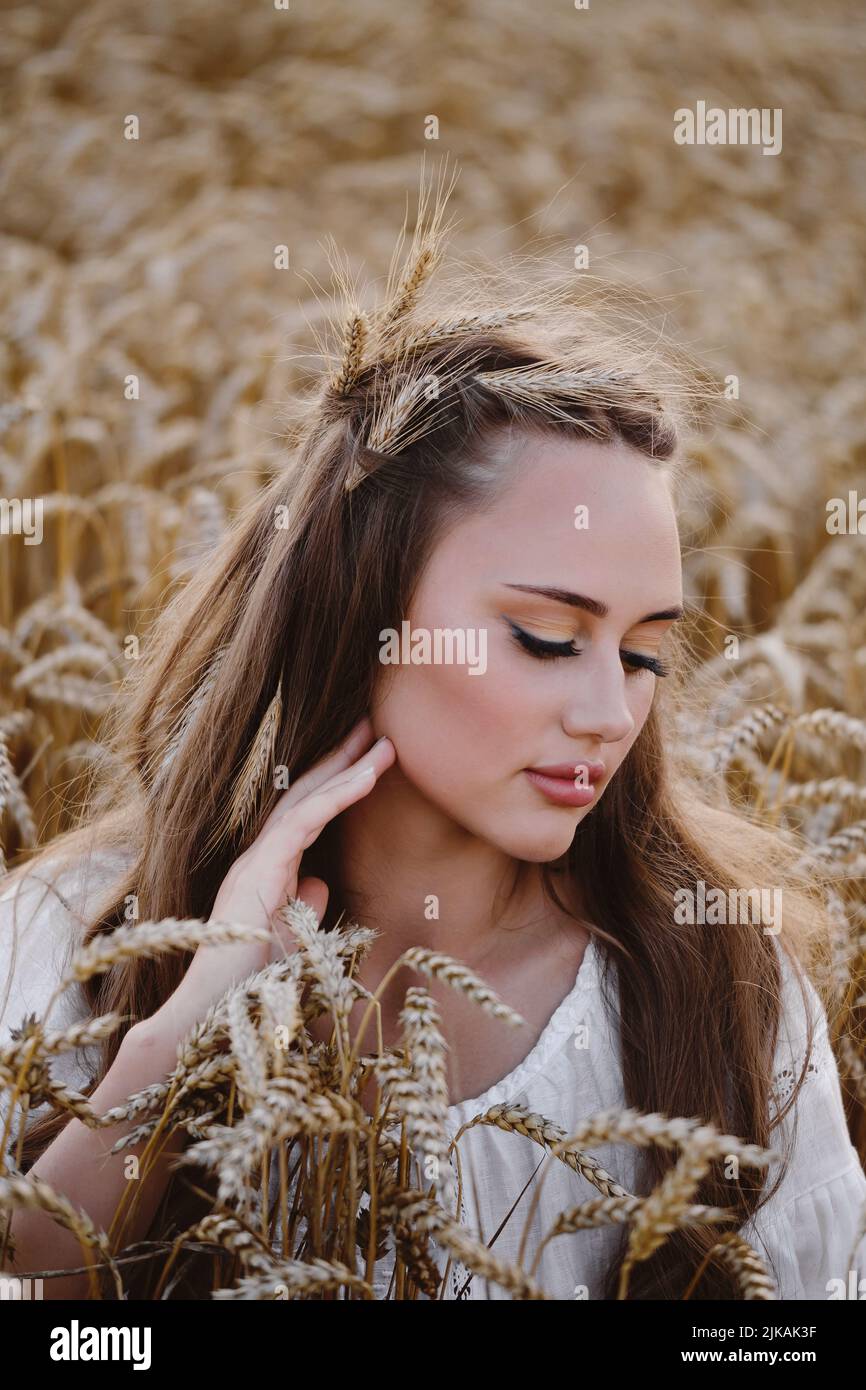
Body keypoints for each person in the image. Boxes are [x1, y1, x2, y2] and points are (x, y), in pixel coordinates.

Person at [1, 201, 865, 1300]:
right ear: (366, 609)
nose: (609, 711)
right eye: (546, 638)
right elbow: (35, 1270)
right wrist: (198, 1015)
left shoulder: (716, 988)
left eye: (645, 654)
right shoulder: (75, 939)